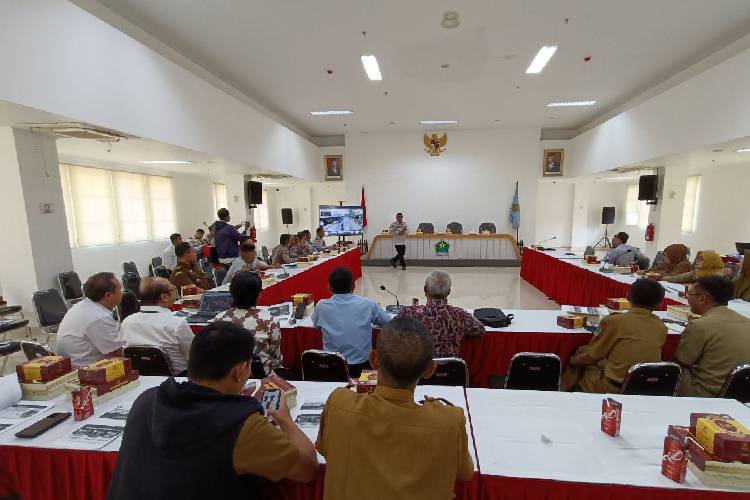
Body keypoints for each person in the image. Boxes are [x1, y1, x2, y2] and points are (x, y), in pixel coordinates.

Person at [107, 321, 318, 500]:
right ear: (239, 371)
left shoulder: (147, 400)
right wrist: (286, 420)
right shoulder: (244, 428)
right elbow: (307, 469)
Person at [315, 317, 474, 500]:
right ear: (430, 369)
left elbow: (324, 449)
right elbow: (465, 473)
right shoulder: (449, 420)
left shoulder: (339, 403)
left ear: (374, 360)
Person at [561, 279, 667, 393]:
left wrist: (570, 360)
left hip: (614, 387)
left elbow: (591, 357)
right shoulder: (661, 327)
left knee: (580, 355)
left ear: (628, 296)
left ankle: (564, 393)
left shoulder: (613, 321)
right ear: (659, 303)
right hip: (646, 386)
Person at [675, 276, 750, 397]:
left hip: (706, 393)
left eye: (690, 293)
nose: (687, 297)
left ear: (702, 299)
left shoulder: (700, 326)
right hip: (742, 393)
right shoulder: (746, 321)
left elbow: (680, 363)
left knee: (673, 372)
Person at [312, 267, 391, 377]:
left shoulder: (321, 306)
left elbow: (315, 325)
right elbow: (388, 321)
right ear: (353, 286)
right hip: (363, 367)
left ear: (329, 287)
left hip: (331, 367)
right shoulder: (368, 304)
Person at [397, 270, 484, 356]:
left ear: (425, 290)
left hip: (419, 368)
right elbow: (480, 329)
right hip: (450, 368)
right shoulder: (460, 315)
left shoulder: (409, 313)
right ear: (449, 292)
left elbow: (391, 329)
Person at [121, 277, 193, 375]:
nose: (175, 292)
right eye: (173, 289)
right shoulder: (177, 323)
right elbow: (193, 356)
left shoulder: (127, 322)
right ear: (164, 297)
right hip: (179, 378)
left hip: (142, 379)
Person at [214, 272, 282, 376]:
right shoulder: (270, 322)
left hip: (228, 377)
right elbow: (276, 360)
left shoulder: (219, 319)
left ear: (231, 293)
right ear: (259, 294)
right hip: (262, 378)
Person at [57, 272, 124, 367]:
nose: (122, 293)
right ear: (108, 295)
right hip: (85, 371)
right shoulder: (99, 317)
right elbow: (117, 356)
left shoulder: (82, 305)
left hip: (72, 364)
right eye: (120, 290)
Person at [662, 250, 727, 284]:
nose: (697, 261)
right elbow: (677, 278)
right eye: (697, 258)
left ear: (710, 261)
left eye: (701, 259)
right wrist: (661, 278)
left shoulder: (717, 276)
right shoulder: (698, 271)